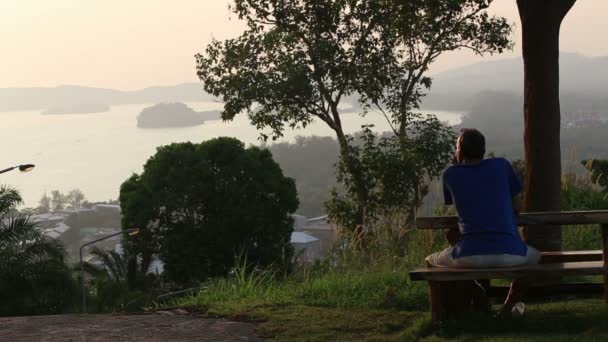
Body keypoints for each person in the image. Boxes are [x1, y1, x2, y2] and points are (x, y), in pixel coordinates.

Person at [425, 128, 540, 316]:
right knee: (536, 257)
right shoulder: (502, 165)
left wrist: (457, 164)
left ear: (460, 151)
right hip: (512, 254)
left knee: (430, 262)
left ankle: (440, 315)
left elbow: (458, 203)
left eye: (456, 147)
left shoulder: (450, 174)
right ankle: (506, 309)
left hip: (469, 255)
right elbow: (517, 207)